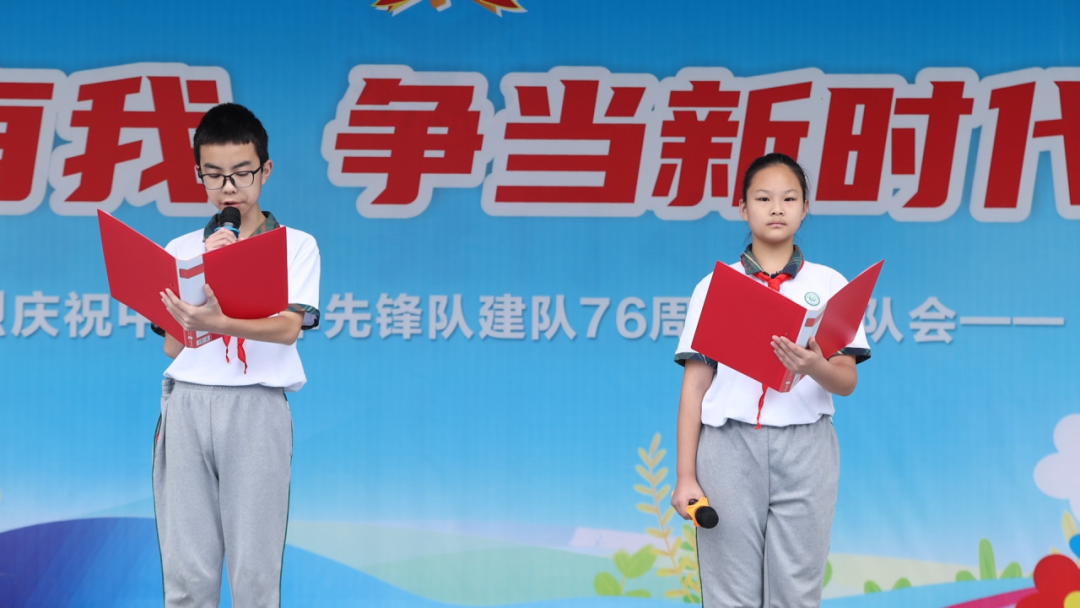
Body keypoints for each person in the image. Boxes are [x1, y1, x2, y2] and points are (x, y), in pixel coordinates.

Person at [670, 153, 870, 607]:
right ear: (743, 208)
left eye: (789, 198)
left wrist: (813, 366)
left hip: (806, 448)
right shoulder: (715, 285)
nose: (776, 208)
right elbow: (694, 388)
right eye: (763, 198)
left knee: (796, 592)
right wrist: (685, 476)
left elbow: (846, 381)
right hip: (728, 446)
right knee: (729, 594)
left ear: (805, 208)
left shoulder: (829, 283)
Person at [152, 102, 320, 607]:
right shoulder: (182, 247)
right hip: (186, 404)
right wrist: (206, 272)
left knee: (254, 576)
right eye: (214, 175)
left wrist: (220, 319)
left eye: (242, 173)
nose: (229, 188)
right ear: (199, 174)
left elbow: (288, 328)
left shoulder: (295, 245)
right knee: (186, 576)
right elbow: (171, 344)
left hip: (255, 407)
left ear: (265, 171)